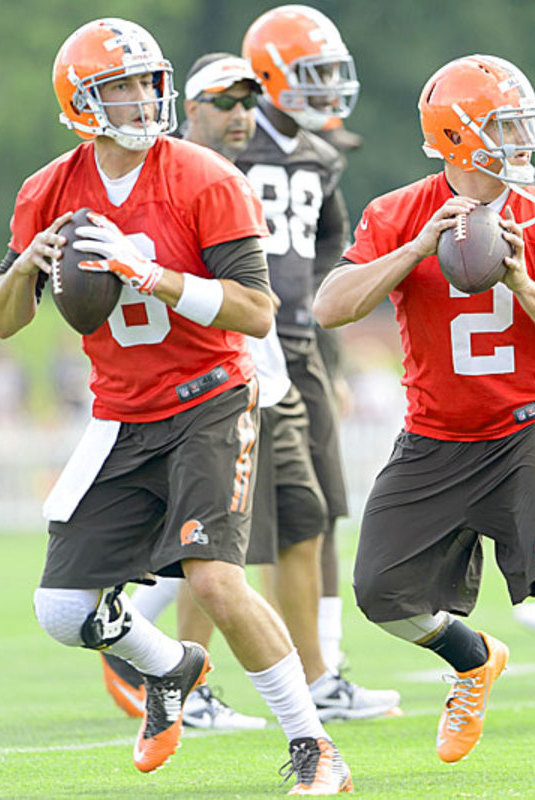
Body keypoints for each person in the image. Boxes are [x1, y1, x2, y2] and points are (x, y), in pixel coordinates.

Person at [0, 19, 351, 793]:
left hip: (209, 397)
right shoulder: (48, 190)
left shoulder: (205, 177)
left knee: (214, 577)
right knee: (61, 610)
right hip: (121, 412)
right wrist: (28, 265)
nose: (143, 98)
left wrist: (153, 277)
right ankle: (174, 668)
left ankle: (313, 743)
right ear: (82, 101)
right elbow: (4, 319)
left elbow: (255, 312)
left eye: (150, 81)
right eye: (120, 86)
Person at [313, 54, 535, 778]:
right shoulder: (396, 213)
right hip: (433, 434)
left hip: (526, 427)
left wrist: (519, 278)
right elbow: (330, 307)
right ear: (455, 137)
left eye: (522, 122)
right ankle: (473, 660)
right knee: (379, 592)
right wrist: (417, 248)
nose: (521, 139)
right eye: (505, 125)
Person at [99, 51, 399, 730]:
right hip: (213, 372)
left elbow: (323, 255)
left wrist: (323, 359)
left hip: (277, 362)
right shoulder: (176, 176)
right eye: (224, 103)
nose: (240, 116)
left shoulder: (304, 162)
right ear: (191, 107)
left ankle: (314, 677)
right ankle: (175, 673)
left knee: (302, 517)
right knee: (216, 542)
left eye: (246, 103)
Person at [239, 6, 360, 679]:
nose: (325, 90)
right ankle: (157, 647)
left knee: (321, 507)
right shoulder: (230, 144)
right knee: (240, 521)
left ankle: (324, 665)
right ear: (268, 75)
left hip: (300, 343)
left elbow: (331, 241)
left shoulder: (320, 155)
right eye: (311, 76)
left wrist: (316, 300)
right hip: (244, 343)